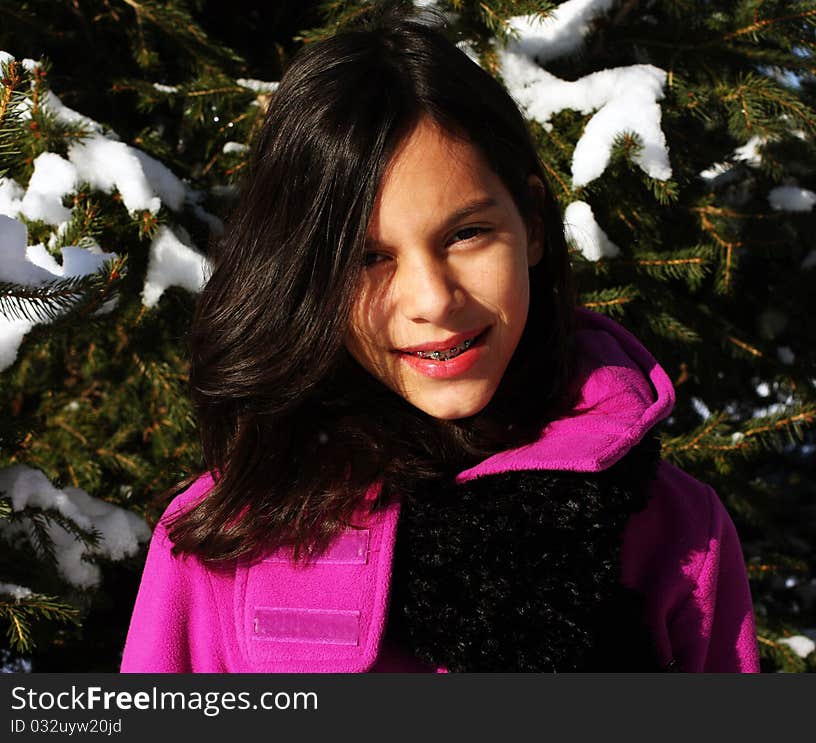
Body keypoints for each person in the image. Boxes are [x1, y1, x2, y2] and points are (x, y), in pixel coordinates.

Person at [120, 12, 760, 673]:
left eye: (466, 234)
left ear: (533, 224)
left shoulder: (678, 532)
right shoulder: (221, 539)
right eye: (369, 256)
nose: (432, 300)